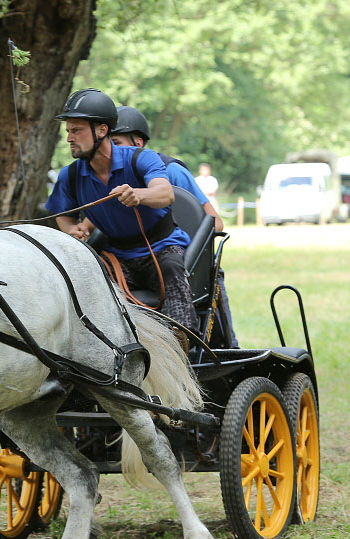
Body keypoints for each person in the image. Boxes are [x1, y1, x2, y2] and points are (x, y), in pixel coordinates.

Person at [45, 89, 197, 334]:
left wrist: (139, 195)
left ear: (102, 131)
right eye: (68, 131)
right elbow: (62, 214)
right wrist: (72, 229)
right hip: (116, 256)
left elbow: (165, 193)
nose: (69, 138)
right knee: (84, 282)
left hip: (161, 249)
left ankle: (181, 345)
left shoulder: (141, 158)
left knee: (172, 270)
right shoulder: (70, 175)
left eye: (76, 130)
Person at [109, 106, 238, 347]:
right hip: (131, 265)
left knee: (224, 341)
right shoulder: (108, 177)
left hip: (186, 266)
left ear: (137, 142)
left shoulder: (170, 171)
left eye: (116, 142)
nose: (110, 151)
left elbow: (215, 221)